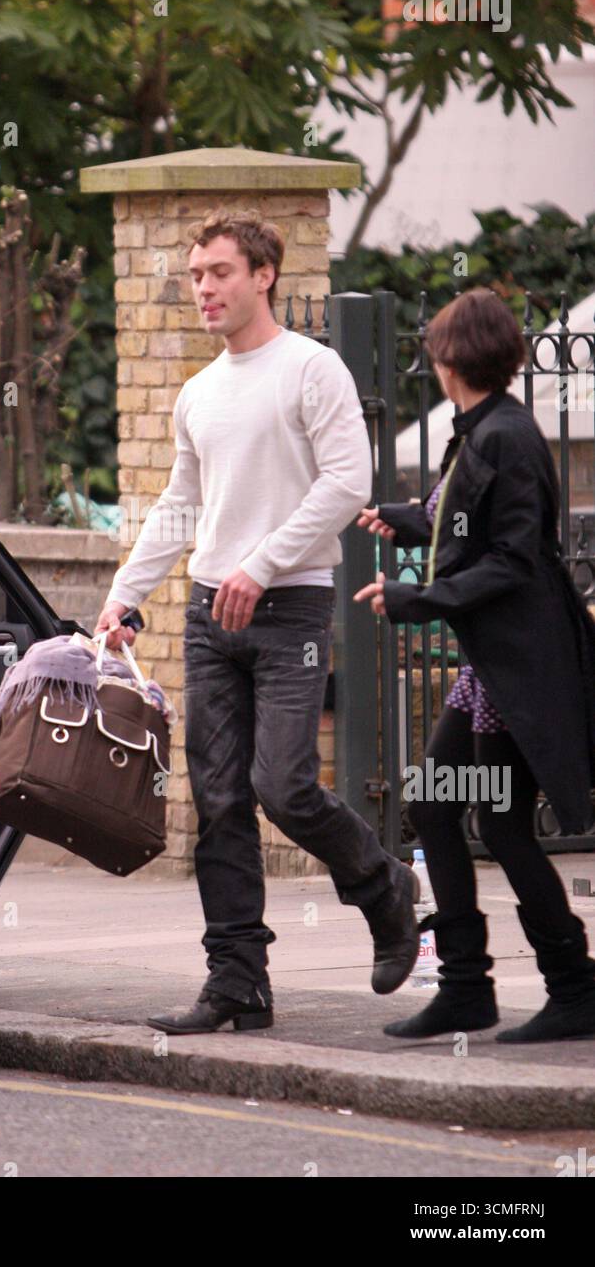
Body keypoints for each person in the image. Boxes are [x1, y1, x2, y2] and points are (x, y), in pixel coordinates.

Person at [94, 207, 420, 1035]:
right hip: (210, 616)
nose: (204, 288)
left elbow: (347, 484)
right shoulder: (199, 392)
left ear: (263, 275)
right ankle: (237, 979)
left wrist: (262, 564)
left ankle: (386, 889)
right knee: (217, 800)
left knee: (284, 787)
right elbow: (180, 504)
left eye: (219, 273)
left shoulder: (312, 369)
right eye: (197, 275)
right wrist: (126, 594)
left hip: (289, 610)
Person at [354, 287, 595, 1043]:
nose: (431, 359)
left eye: (435, 348)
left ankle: (573, 987)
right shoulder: (484, 430)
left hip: (518, 665)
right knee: (440, 805)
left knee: (501, 820)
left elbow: (514, 558)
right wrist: (404, 523)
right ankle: (468, 987)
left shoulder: (507, 436)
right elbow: (458, 516)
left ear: (453, 357)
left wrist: (417, 598)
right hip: (492, 666)